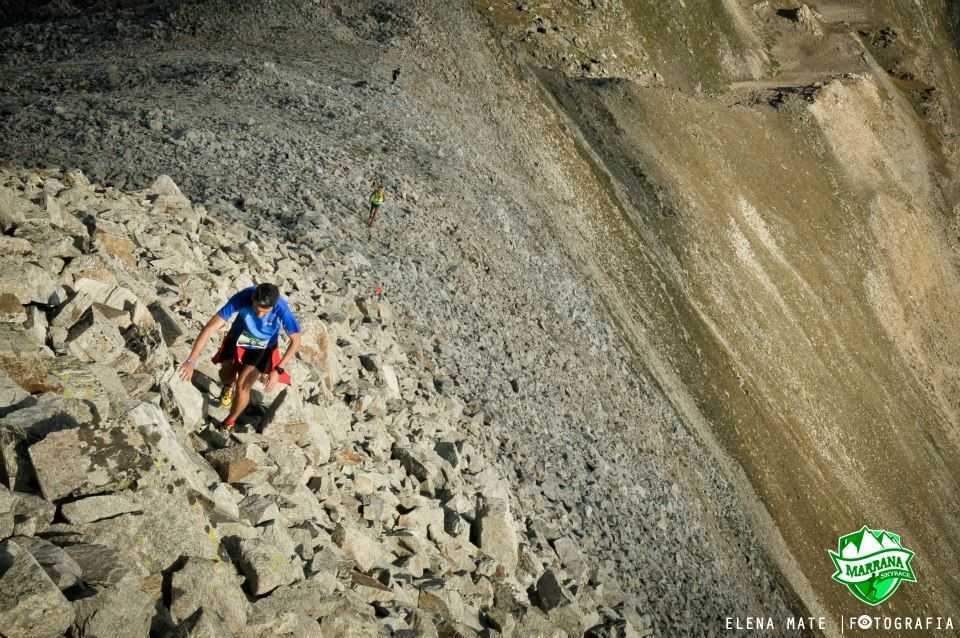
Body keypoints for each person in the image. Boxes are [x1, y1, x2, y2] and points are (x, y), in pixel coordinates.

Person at [179, 282, 302, 430]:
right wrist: (191, 361)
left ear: (273, 306)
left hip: (263, 346)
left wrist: (278, 370)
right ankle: (227, 386)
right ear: (252, 298)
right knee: (226, 373)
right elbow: (210, 327)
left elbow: (296, 341)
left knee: (243, 385)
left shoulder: (281, 308)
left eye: (265, 311)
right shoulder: (243, 297)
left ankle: (229, 421)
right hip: (238, 337)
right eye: (257, 308)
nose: (259, 314)